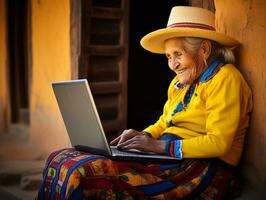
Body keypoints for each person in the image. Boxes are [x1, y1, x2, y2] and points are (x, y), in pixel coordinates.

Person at [37, 6, 252, 200]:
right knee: (62, 158)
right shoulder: (180, 83)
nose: (173, 65)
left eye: (178, 54)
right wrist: (144, 135)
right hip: (171, 158)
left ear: (204, 50)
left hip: (206, 169)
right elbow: (165, 121)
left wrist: (159, 146)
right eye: (168, 57)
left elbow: (219, 143)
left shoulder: (225, 79)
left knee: (82, 171)